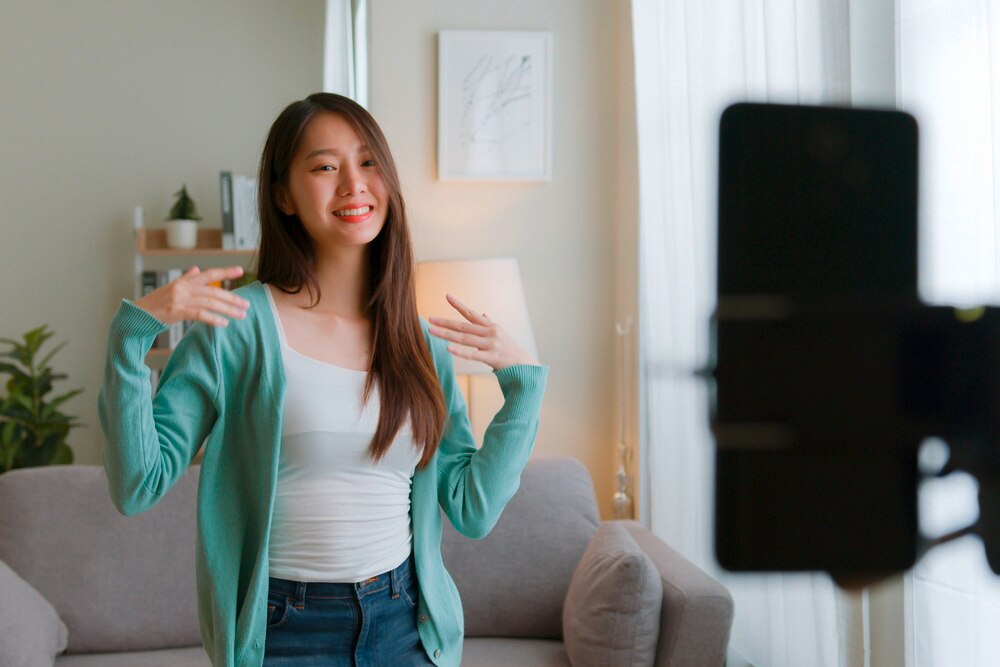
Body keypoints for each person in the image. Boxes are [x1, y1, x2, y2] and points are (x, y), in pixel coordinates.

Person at [97, 92, 548, 667]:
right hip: (286, 633)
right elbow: (137, 486)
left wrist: (523, 388)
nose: (353, 184)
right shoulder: (235, 330)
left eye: (367, 162)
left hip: (406, 626)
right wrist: (132, 337)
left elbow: (472, 509)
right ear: (283, 194)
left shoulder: (420, 343)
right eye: (324, 167)